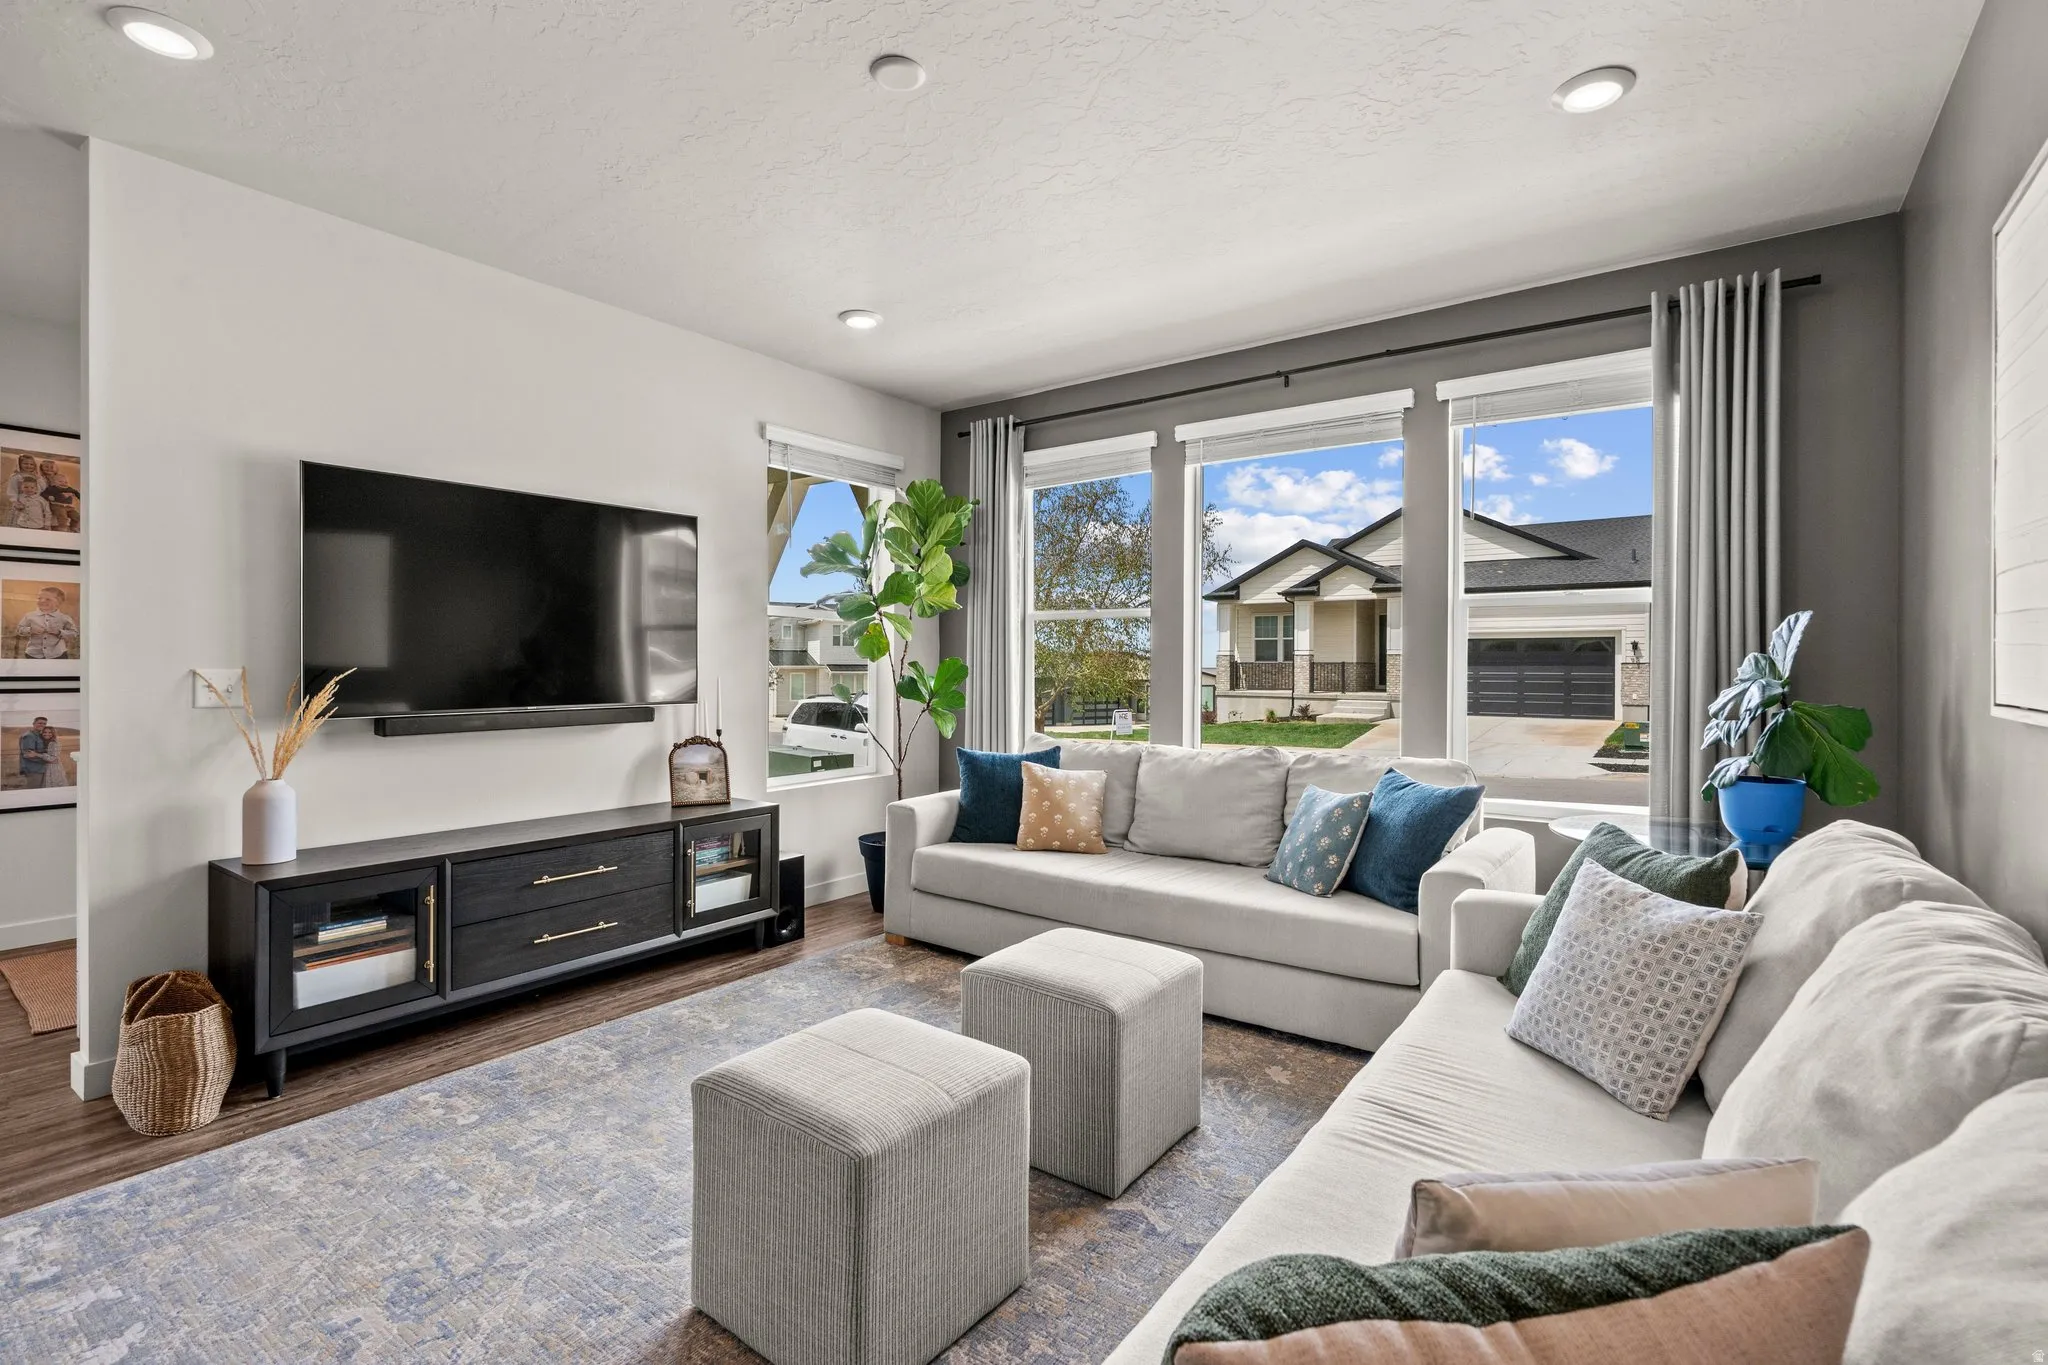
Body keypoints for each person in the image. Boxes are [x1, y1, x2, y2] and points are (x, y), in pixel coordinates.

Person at [16, 585, 78, 659]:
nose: (42, 601)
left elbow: (74, 633)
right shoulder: (30, 616)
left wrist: (59, 632)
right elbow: (19, 629)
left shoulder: (64, 618)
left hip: (57, 654)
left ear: (58, 602)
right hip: (34, 654)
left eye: (48, 599)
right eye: (39, 598)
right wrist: (30, 630)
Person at [36, 461, 78, 533]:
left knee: (74, 516)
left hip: (65, 505)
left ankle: (73, 527)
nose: (49, 469)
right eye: (46, 467)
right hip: (53, 503)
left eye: (52, 467)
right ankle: (61, 528)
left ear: (56, 468)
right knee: (61, 517)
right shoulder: (40, 479)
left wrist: (72, 495)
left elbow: (69, 491)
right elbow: (42, 493)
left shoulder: (60, 478)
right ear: (41, 468)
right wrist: (50, 497)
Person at [17, 716, 52, 788]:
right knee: (33, 791)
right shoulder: (29, 736)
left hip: (40, 768)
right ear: (33, 723)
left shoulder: (39, 735)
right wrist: (47, 760)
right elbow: (27, 754)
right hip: (33, 769)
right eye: (40, 723)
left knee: (39, 791)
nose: (42, 725)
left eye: (44, 724)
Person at [36, 722, 68, 787]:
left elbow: (52, 758)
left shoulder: (54, 743)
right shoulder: (46, 742)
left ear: (53, 734)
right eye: (45, 732)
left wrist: (36, 754)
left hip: (53, 768)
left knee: (53, 785)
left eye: (50, 732)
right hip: (48, 766)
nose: (47, 734)